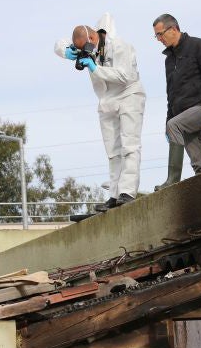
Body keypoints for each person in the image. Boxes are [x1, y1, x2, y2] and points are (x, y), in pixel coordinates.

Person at [54, 13, 145, 211]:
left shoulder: (120, 46)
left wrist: (95, 68)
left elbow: (124, 76)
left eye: (85, 48)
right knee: (113, 151)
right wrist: (67, 51)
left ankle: (127, 192)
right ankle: (114, 194)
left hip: (129, 95)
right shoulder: (86, 48)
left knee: (129, 145)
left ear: (92, 38)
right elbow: (58, 45)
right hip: (106, 101)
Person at [152, 14, 201, 191]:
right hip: (183, 117)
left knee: (175, 125)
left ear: (174, 29)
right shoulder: (169, 60)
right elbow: (171, 94)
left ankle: (172, 180)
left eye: (160, 34)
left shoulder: (198, 46)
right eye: (156, 36)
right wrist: (167, 123)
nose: (159, 39)